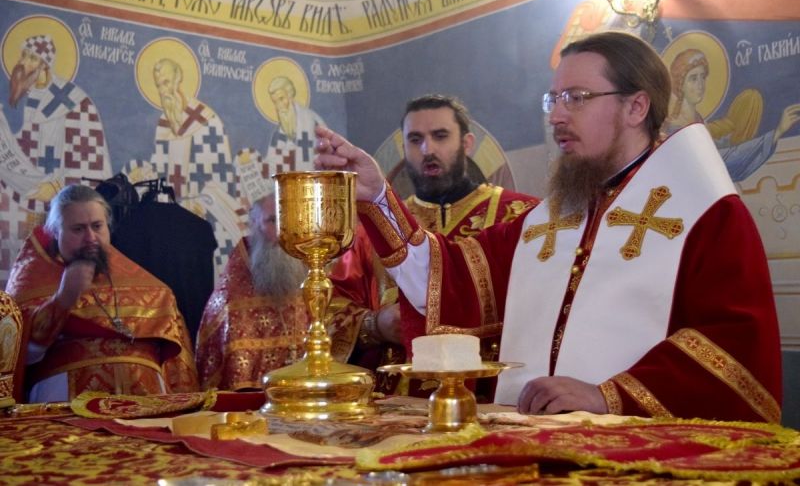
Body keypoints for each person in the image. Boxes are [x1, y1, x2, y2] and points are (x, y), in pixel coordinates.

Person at [314, 31, 783, 423]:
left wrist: (608, 395)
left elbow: (735, 350)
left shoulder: (705, 210)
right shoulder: (553, 220)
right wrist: (378, 197)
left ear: (636, 107)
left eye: (577, 98)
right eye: (553, 99)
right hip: (536, 440)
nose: (556, 115)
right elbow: (445, 280)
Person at [328, 94, 538, 396]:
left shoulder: (520, 216)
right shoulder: (372, 231)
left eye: (440, 136)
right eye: (415, 140)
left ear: (467, 143)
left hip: (492, 397)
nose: (428, 150)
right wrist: (376, 324)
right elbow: (329, 311)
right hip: (396, 404)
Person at [6, 184, 198, 402]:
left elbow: (174, 363)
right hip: (66, 405)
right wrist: (63, 299)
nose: (91, 238)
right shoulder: (31, 281)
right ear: (56, 233)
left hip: (145, 407)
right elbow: (20, 357)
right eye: (78, 229)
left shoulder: (152, 287)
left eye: (97, 226)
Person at [195, 194, 371, 391]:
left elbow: (339, 320)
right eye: (273, 221)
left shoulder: (313, 275)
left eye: (289, 221)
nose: (283, 231)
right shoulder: (230, 297)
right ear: (255, 225)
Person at [0, 34, 111, 283]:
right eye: (22, 56)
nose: (22, 63)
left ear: (44, 64)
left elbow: (88, 160)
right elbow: (26, 145)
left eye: (30, 57)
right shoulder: (33, 97)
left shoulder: (75, 101)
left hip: (64, 201)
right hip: (32, 194)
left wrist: (57, 189)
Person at [127, 57, 244, 277]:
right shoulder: (165, 122)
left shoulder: (206, 121)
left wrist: (198, 201)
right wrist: (145, 173)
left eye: (167, 82)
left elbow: (220, 176)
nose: (163, 91)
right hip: (173, 213)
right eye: (159, 85)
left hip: (207, 210)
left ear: (178, 79)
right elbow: (162, 170)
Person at [666, 48, 800, 182]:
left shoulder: (697, 120)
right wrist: (777, 132)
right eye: (693, 78)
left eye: (703, 77)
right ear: (680, 84)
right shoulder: (675, 129)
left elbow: (719, 149)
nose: (700, 84)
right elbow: (721, 160)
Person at [264, 76, 326, 174]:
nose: (279, 105)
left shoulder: (311, 120)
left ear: (290, 95)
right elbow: (271, 160)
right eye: (275, 102)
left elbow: (321, 152)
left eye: (281, 99)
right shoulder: (281, 128)